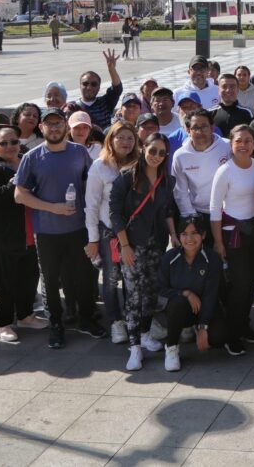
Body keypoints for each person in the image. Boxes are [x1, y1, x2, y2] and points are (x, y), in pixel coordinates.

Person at [14, 107, 105, 349]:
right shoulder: (32, 157)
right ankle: (56, 325)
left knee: (84, 277)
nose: (54, 128)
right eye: (49, 124)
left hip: (78, 229)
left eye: (58, 123)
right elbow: (19, 195)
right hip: (47, 232)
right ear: (41, 128)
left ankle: (87, 319)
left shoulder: (79, 153)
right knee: (51, 281)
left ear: (65, 126)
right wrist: (51, 208)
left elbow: (90, 186)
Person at [111, 132, 179, 371]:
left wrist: (173, 235)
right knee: (134, 295)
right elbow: (115, 214)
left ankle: (145, 333)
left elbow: (168, 210)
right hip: (132, 243)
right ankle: (134, 348)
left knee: (151, 293)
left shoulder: (167, 181)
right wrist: (126, 246)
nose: (156, 156)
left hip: (156, 243)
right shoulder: (126, 178)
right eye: (152, 151)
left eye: (162, 153)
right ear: (143, 149)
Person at [0, 126, 45, 343]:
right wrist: (9, 187)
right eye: (3, 143)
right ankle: (3, 323)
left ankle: (25, 315)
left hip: (30, 232)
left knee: (29, 277)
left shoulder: (26, 162)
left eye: (13, 142)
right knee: (5, 283)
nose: (9, 147)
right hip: (6, 237)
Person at [209, 125, 254, 356]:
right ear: (231, 145)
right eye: (238, 141)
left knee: (251, 281)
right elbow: (214, 209)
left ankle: (244, 325)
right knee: (240, 285)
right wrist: (218, 242)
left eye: (248, 141)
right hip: (233, 235)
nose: (243, 145)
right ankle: (232, 334)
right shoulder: (225, 171)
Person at [86, 120, 141, 345]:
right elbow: (91, 204)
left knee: (132, 278)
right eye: (121, 137)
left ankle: (133, 318)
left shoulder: (140, 163)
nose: (126, 142)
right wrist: (92, 239)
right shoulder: (100, 166)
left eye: (130, 138)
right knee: (110, 279)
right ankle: (116, 321)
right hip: (108, 231)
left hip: (133, 231)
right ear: (111, 140)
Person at [158, 216, 227, 370]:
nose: (189, 238)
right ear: (178, 236)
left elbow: (211, 295)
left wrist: (203, 327)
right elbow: (161, 288)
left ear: (203, 235)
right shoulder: (170, 257)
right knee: (177, 303)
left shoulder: (212, 259)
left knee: (218, 339)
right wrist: (186, 293)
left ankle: (197, 328)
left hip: (205, 308)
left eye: (194, 233)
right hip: (181, 309)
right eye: (184, 234)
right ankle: (172, 347)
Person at [72, 50, 124, 130]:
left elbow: (117, 89)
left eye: (94, 84)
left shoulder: (105, 103)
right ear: (80, 86)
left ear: (99, 87)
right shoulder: (72, 107)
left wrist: (111, 69)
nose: (89, 87)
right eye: (85, 84)